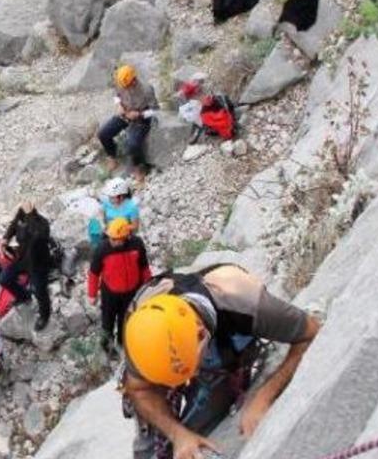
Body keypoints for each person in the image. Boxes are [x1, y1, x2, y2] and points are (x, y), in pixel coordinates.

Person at [121, 264, 321, 459]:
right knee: (150, 445)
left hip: (224, 339)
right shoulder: (141, 333)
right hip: (180, 348)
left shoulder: (243, 301)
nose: (187, 381)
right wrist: (177, 434)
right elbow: (139, 389)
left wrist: (264, 396)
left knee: (207, 417)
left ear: (201, 333)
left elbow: (310, 332)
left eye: (191, 371)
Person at [86, 218, 151, 357]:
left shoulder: (137, 245)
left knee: (126, 319)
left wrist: (148, 286)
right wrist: (92, 294)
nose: (113, 241)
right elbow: (93, 273)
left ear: (126, 236)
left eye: (117, 239)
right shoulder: (102, 249)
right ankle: (107, 347)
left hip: (132, 291)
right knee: (107, 321)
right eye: (111, 238)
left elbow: (144, 267)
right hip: (110, 293)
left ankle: (123, 342)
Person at [98, 64, 159, 186]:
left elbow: (155, 110)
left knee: (132, 144)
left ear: (134, 80)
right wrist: (119, 105)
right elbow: (116, 95)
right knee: (103, 134)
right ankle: (112, 156)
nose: (125, 88)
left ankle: (139, 167)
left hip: (140, 118)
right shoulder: (121, 83)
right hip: (125, 113)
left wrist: (139, 114)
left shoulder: (147, 89)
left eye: (128, 85)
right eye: (123, 86)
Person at [0, 202, 53, 331]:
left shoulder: (42, 223)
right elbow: (13, 225)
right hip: (22, 259)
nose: (22, 212)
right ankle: (23, 296)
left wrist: (29, 215)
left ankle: (45, 315)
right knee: (4, 278)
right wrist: (6, 238)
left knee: (39, 290)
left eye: (25, 210)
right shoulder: (21, 218)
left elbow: (39, 235)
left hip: (39, 263)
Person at [88, 177, 140, 248]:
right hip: (107, 231)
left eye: (112, 197)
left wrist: (119, 227)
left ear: (121, 197)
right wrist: (103, 223)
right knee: (93, 224)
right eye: (109, 196)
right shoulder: (108, 201)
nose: (110, 199)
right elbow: (98, 199)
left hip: (121, 235)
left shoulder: (131, 207)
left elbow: (135, 226)